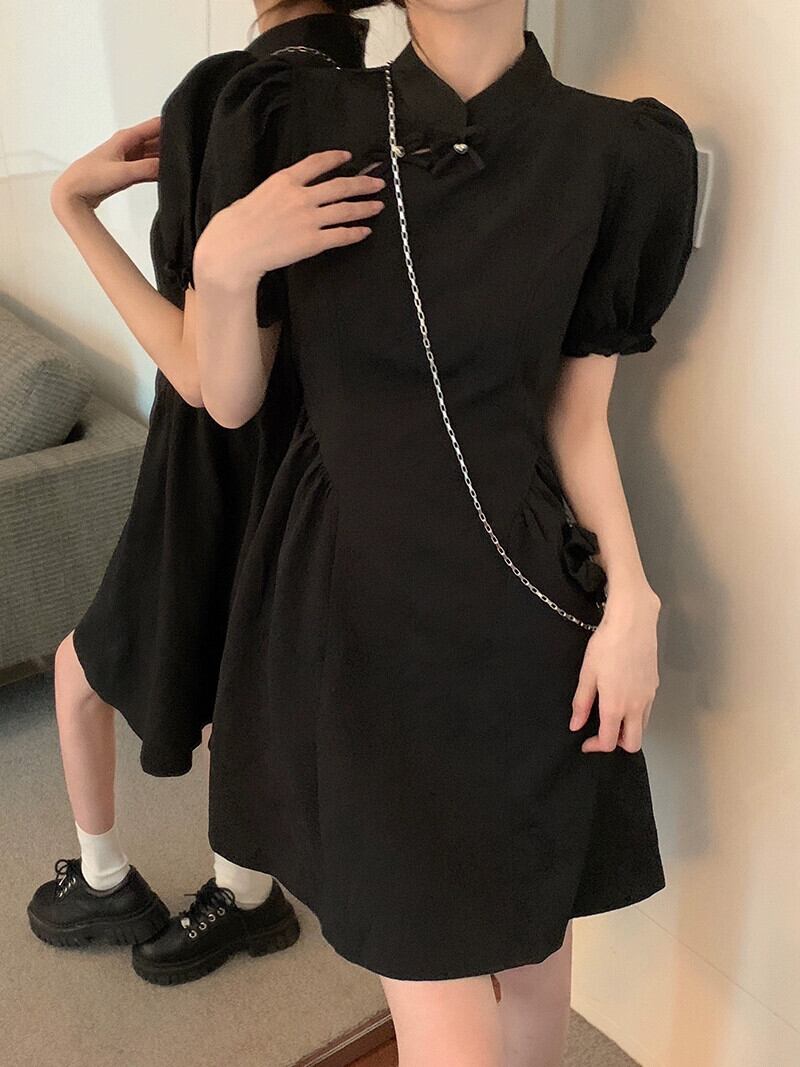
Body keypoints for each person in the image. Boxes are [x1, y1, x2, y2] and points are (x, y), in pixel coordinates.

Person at [184, 0, 698, 1061]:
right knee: (434, 984)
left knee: (530, 949)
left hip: (523, 602)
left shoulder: (612, 151)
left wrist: (632, 597)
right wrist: (224, 265)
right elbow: (231, 399)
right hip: (357, 604)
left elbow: (574, 419)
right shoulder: (293, 114)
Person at [26, 1, 374, 986]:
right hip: (318, 453)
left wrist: (72, 206)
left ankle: (107, 879)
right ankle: (245, 895)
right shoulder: (377, 100)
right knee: (238, 679)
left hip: (213, 458)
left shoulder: (234, 94)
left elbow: (200, 371)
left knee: (84, 666)